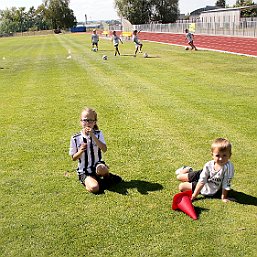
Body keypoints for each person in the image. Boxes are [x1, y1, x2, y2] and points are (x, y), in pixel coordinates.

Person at [69, 107, 121, 193]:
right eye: (85, 120)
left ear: (94, 122)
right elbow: (73, 158)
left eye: (90, 120)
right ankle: (94, 181)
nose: (87, 123)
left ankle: (108, 177)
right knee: (94, 188)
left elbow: (104, 149)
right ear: (81, 122)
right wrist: (80, 151)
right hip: (84, 170)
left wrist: (93, 136)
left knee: (102, 168)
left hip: (97, 165)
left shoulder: (98, 134)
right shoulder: (75, 138)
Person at [176, 138, 234, 203]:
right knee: (179, 177)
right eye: (217, 155)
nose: (221, 159)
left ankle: (193, 181)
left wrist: (223, 197)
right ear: (212, 155)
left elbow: (226, 183)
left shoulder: (229, 167)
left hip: (210, 184)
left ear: (229, 155)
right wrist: (194, 195)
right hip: (202, 174)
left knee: (182, 187)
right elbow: (202, 181)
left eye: (224, 155)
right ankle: (187, 169)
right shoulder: (208, 165)